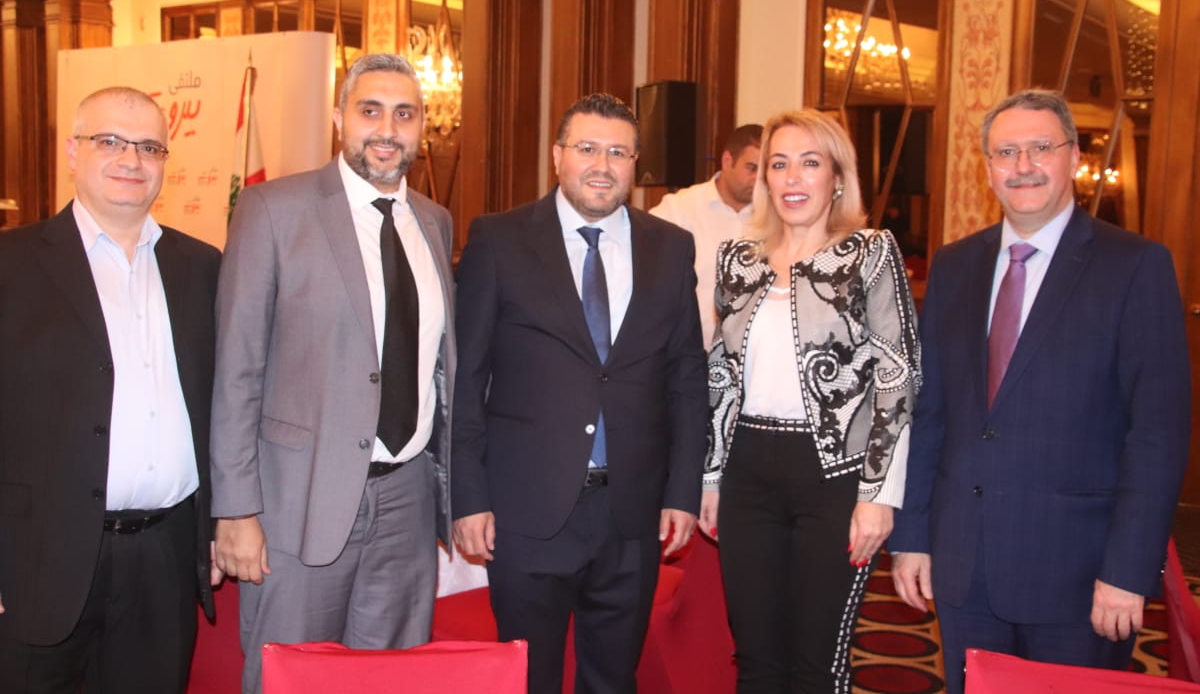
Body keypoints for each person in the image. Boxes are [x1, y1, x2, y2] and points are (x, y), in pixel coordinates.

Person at [889, 89, 1191, 694]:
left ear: (1074, 156)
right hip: (965, 565)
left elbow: (1157, 435)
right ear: (988, 168)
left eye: (1040, 148)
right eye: (1006, 152)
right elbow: (930, 413)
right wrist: (912, 538)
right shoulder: (954, 265)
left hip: (1081, 576)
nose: (1022, 165)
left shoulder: (1135, 266)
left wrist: (1128, 570)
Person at [210, 53, 455, 694]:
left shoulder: (433, 221)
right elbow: (237, 370)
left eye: (404, 114)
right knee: (292, 676)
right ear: (340, 118)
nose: (387, 129)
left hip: (406, 500)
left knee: (389, 681)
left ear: (421, 126)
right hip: (299, 499)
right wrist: (235, 509)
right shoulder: (273, 210)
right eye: (370, 110)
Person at [452, 93, 708, 694]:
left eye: (618, 152)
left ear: (635, 163)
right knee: (529, 679)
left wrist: (683, 492)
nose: (602, 165)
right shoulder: (499, 240)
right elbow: (466, 378)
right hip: (525, 511)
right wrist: (467, 497)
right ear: (557, 155)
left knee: (613, 679)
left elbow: (686, 378)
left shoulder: (671, 247)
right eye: (587, 148)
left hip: (632, 513)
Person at [0, 87, 222, 692]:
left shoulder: (202, 267)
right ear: (73, 152)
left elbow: (223, 404)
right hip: (38, 560)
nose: (131, 159)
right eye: (110, 141)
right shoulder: (11, 264)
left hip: (164, 559)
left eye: (149, 147)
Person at [701, 109, 921, 693]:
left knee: (817, 666)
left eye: (810, 162)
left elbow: (898, 377)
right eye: (779, 164)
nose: (793, 178)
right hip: (747, 471)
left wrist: (879, 495)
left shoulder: (870, 253)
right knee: (756, 659)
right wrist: (711, 477)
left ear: (837, 177)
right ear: (765, 180)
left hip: (836, 477)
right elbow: (720, 375)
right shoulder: (737, 259)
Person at [650, 123, 762, 348]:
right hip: (692, 352)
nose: (758, 180)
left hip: (753, 354)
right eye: (751, 168)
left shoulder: (776, 216)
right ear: (727, 161)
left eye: (766, 170)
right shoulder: (679, 209)